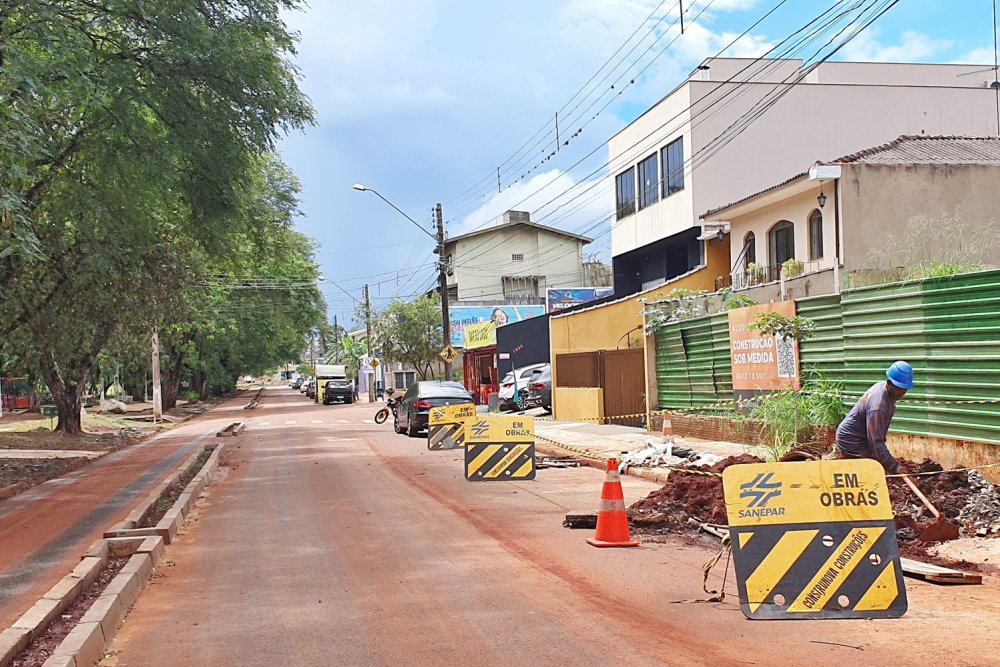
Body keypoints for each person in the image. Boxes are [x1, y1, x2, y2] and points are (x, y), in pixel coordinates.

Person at [834, 360, 913, 474]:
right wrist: (895, 466)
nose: (902, 392)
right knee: (875, 471)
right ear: (889, 382)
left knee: (881, 465)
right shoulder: (878, 406)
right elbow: (876, 442)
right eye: (899, 388)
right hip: (851, 441)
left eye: (905, 389)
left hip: (862, 438)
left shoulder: (885, 389)